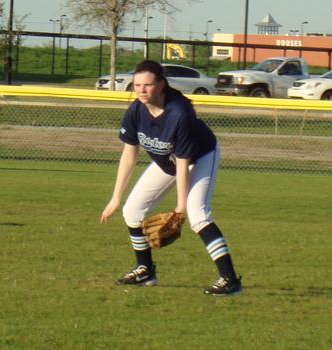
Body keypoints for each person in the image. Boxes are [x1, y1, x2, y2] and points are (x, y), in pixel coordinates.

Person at [100, 60, 242, 296]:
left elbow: (184, 163)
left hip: (200, 157)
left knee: (198, 215)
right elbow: (129, 154)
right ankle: (145, 270)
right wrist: (115, 197)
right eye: (137, 85)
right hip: (168, 161)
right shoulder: (136, 110)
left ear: (162, 85)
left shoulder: (179, 113)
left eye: (148, 85)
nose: (142, 90)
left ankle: (230, 280)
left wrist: (180, 207)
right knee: (132, 211)